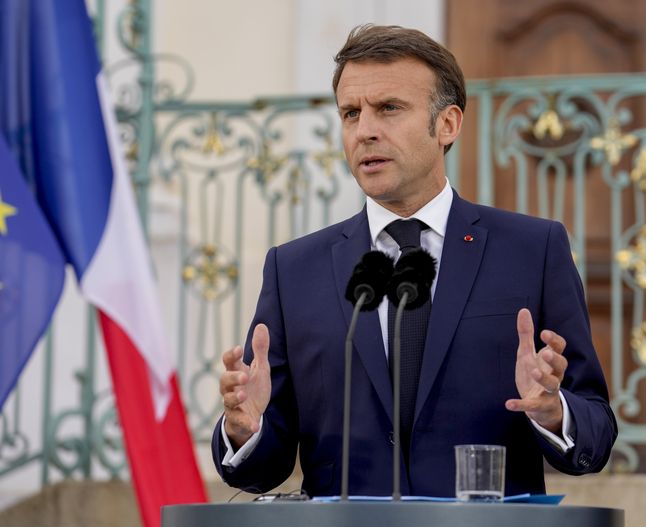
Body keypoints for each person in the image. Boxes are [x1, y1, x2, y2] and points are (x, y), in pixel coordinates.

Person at [212, 24, 617, 498]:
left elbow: (596, 432)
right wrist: (246, 427)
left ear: (447, 124)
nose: (364, 131)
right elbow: (261, 468)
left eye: (389, 109)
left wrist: (553, 410)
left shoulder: (532, 249)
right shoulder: (293, 269)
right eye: (350, 113)